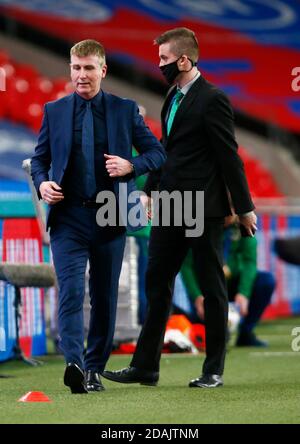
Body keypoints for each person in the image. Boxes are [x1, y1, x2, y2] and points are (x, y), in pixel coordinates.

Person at [102, 27, 256, 389]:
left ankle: (213, 369)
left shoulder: (213, 98)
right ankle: (145, 367)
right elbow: (167, 149)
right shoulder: (173, 94)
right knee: (157, 283)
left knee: (212, 286)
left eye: (165, 59)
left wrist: (244, 207)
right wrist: (151, 190)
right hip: (171, 205)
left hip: (204, 208)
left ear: (185, 60)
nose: (160, 65)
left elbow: (228, 156)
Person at [30, 39, 166, 394]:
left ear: (103, 71)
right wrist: (43, 184)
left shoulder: (125, 110)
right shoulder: (54, 111)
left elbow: (157, 152)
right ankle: (74, 364)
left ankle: (93, 369)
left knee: (104, 297)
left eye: (89, 68)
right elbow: (40, 160)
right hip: (68, 218)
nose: (81, 75)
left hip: (111, 216)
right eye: (76, 67)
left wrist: (131, 165)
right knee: (71, 293)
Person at [180, 220, 275, 347]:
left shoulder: (243, 223)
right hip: (205, 286)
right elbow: (186, 265)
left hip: (232, 283)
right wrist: (197, 296)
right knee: (206, 335)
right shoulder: (198, 224)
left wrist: (244, 293)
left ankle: (246, 333)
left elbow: (249, 261)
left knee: (266, 281)